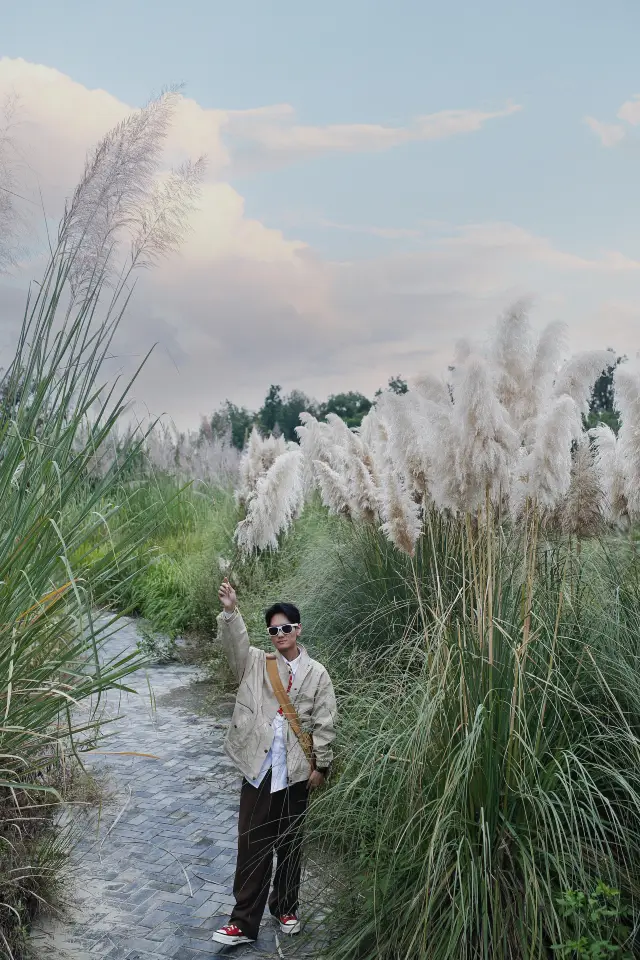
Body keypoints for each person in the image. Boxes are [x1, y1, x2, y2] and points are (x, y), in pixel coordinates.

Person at [211, 577, 337, 947]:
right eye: (273, 629)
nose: (279, 633)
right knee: (252, 845)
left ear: (298, 630)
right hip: (260, 770)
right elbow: (235, 649)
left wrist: (321, 766)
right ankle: (242, 923)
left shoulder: (318, 674)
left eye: (285, 628)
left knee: (291, 843)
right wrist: (231, 612)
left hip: (297, 772)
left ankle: (285, 906)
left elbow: (326, 723)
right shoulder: (255, 663)